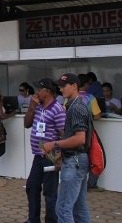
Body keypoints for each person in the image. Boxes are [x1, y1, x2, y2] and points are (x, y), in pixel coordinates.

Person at [43, 73, 92, 223]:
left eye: (64, 86)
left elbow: (80, 138)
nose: (61, 89)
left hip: (74, 160)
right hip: (77, 160)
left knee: (63, 208)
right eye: (60, 86)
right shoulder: (73, 106)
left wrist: (54, 144)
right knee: (79, 207)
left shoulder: (76, 107)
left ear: (75, 86)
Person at [24, 78, 66, 223]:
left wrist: (58, 157)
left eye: (39, 90)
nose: (36, 93)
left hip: (51, 155)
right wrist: (32, 106)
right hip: (38, 155)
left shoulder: (58, 110)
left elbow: (63, 134)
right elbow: (27, 124)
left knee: (49, 191)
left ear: (47, 92)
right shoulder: (38, 106)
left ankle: (51, 220)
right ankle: (33, 219)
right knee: (32, 186)